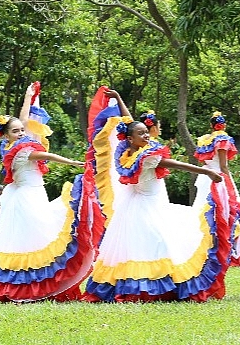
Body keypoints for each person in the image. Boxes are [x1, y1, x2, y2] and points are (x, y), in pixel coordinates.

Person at [83, 86, 231, 302]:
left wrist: (119, 97)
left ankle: (145, 283)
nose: (146, 134)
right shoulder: (144, 155)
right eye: (141, 133)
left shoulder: (129, 151)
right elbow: (173, 163)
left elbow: (129, 121)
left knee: (144, 241)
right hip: (145, 203)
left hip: (142, 201)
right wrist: (205, 170)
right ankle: (149, 285)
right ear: (130, 139)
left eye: (146, 131)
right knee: (155, 241)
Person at [0, 82, 94, 302]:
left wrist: (28, 96)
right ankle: (29, 283)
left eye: (20, 130)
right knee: (37, 236)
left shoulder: (7, 146)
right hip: (28, 196)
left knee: (25, 236)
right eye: (15, 131)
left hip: (21, 194)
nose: (21, 133)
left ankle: (28, 279)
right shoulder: (22, 150)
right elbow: (48, 157)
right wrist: (73, 162)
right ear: (5, 134)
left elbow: (24, 120)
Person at [194, 111, 240, 266]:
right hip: (218, 177)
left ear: (211, 125)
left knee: (202, 210)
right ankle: (226, 244)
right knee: (224, 210)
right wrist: (229, 182)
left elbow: (204, 162)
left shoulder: (204, 140)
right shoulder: (222, 139)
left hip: (205, 177)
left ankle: (204, 243)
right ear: (224, 125)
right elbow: (223, 165)